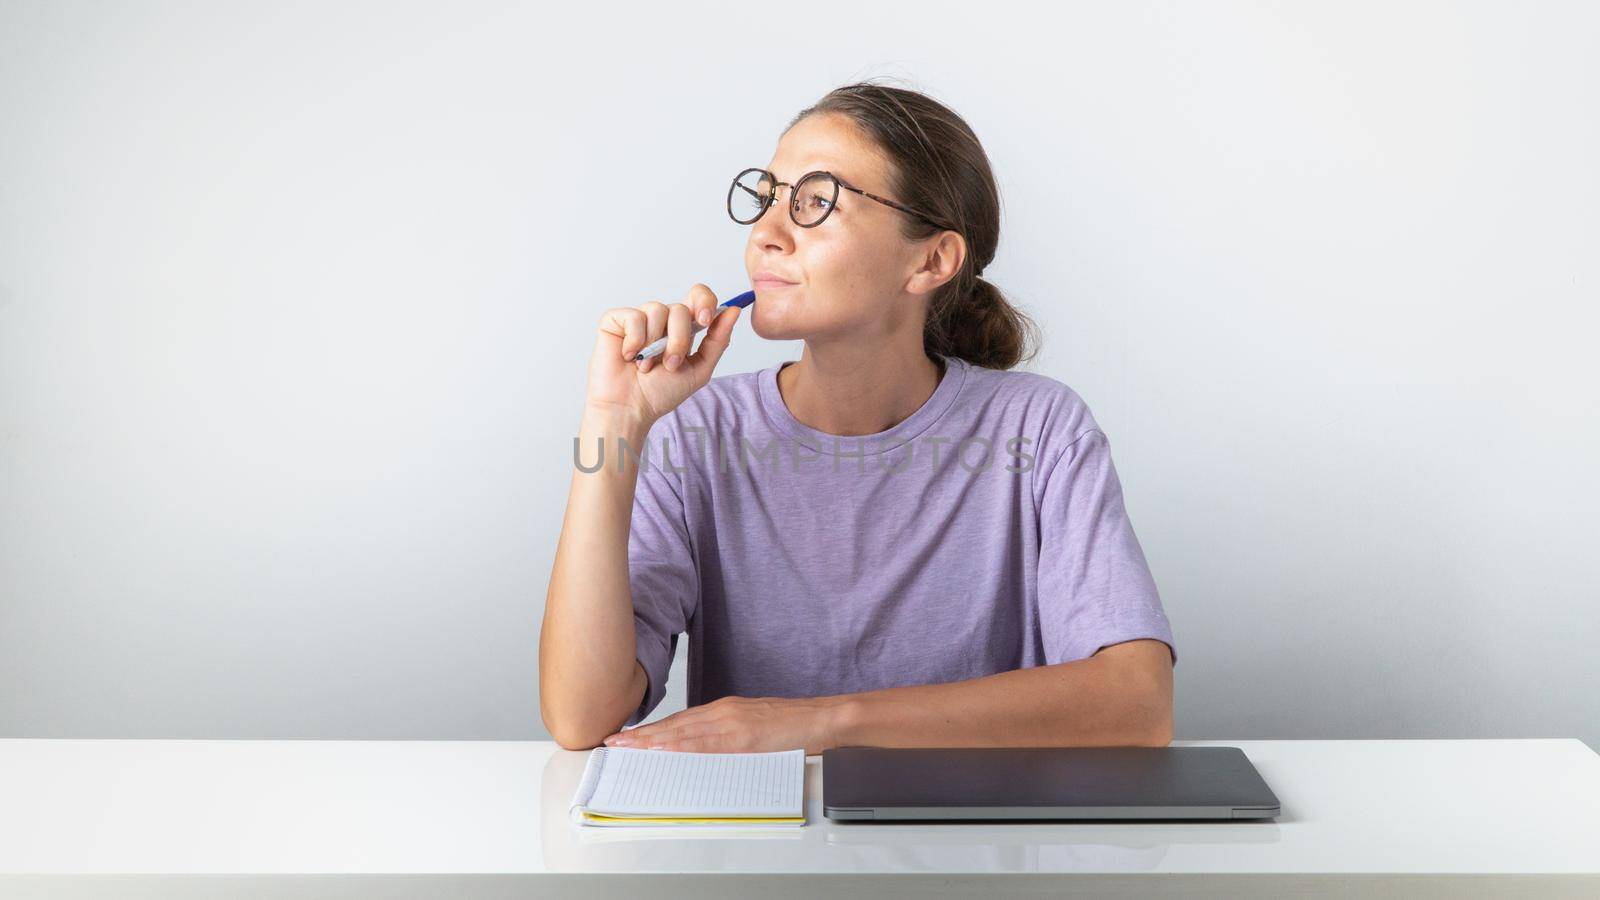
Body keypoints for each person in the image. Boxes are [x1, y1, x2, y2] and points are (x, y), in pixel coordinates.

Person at [541, 81, 1176, 754]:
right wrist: (614, 422)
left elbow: (1138, 704)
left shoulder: (1041, 432)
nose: (765, 234)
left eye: (816, 202)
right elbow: (582, 715)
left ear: (931, 260)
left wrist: (820, 724)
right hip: (761, 855)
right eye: (766, 199)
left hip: (980, 852)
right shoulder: (698, 437)